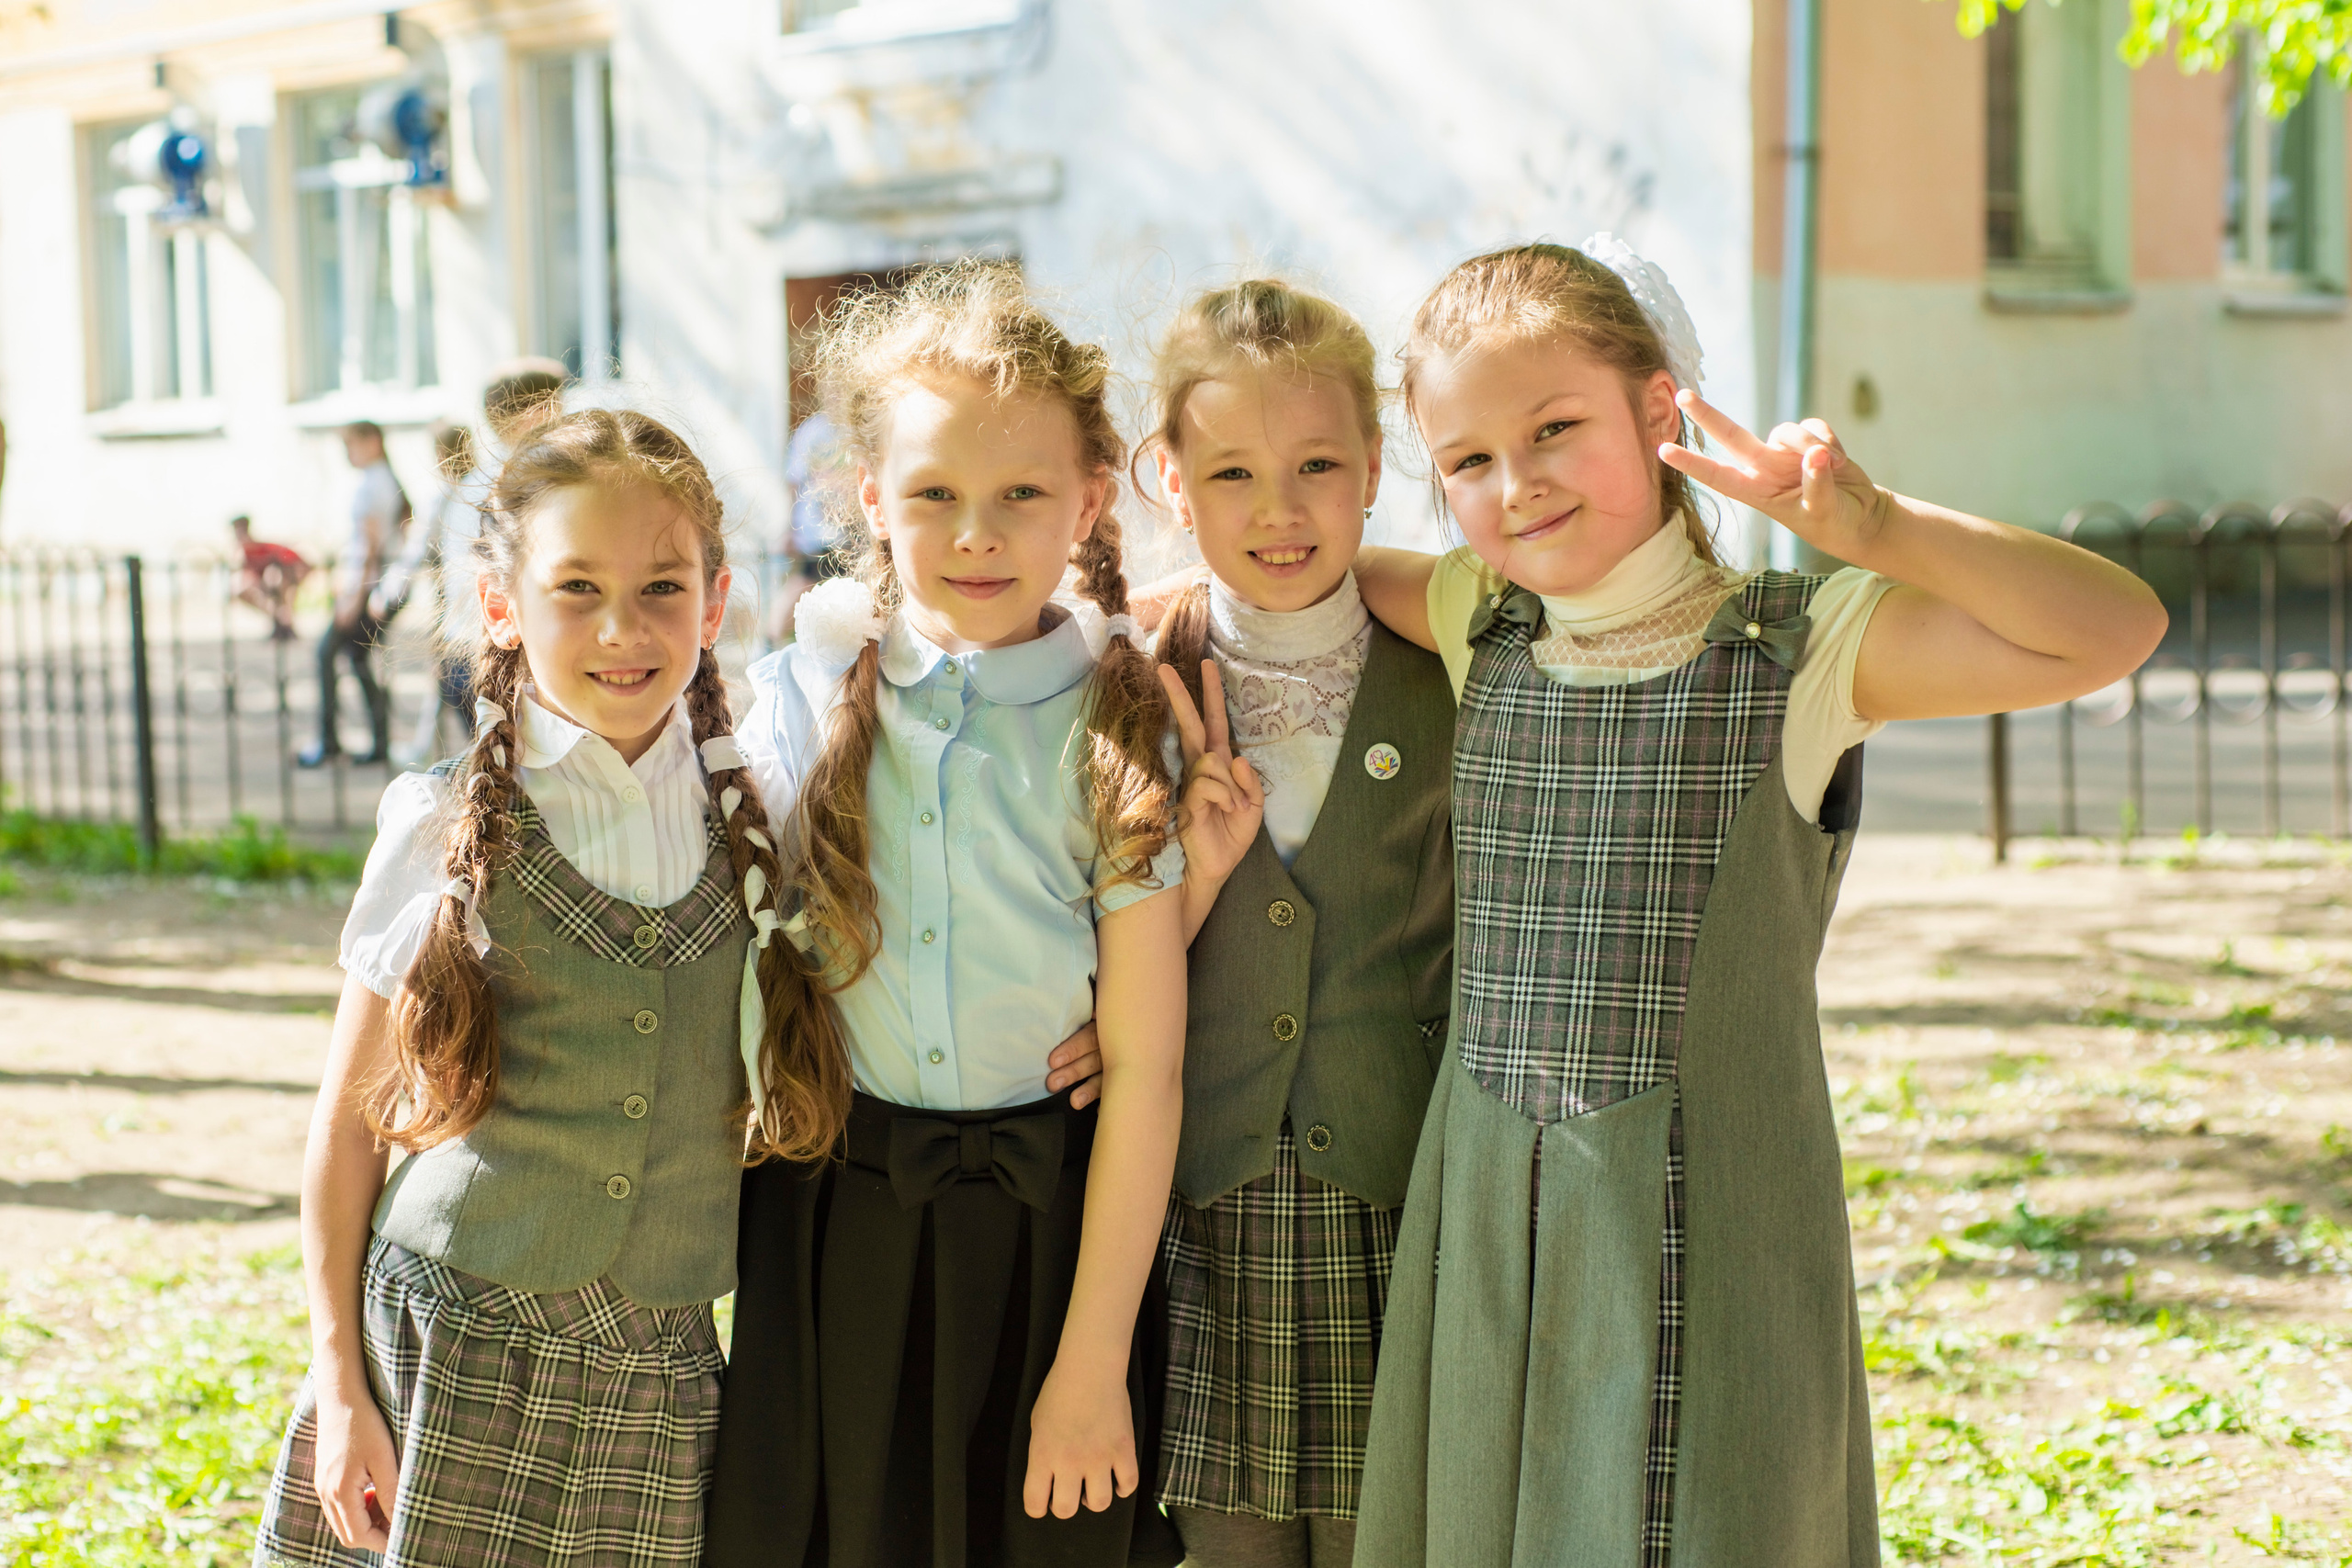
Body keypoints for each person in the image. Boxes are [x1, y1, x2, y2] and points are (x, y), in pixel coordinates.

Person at [1342, 240, 2166, 1566]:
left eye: (1557, 428)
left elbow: (2110, 630)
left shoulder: (1802, 649)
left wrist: (1873, 528)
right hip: (1495, 1203)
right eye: (1469, 460)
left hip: (1708, 1214)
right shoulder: (1470, 614)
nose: (1517, 482)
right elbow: (1305, 588)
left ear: (1659, 412)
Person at [705, 260, 1203, 1568]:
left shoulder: (1119, 725)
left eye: (1021, 495)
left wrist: (1095, 1355)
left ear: (1089, 500)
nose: (977, 533)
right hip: (832, 1230)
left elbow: (1149, 1069)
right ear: (871, 494)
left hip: (1053, 1246)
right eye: (934, 495)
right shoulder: (793, 706)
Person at [252, 407, 801, 1566]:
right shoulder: (442, 824)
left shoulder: (761, 819)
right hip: (452, 1342)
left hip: (658, 1371)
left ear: (714, 602)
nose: (622, 628)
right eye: (575, 588)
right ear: (502, 605)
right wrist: (341, 1386)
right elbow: (348, 1129)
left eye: (662, 589)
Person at [1140, 281, 1454, 1568]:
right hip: (1201, 1207)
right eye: (1233, 473)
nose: (1280, 509)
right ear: (1172, 479)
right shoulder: (1123, 672)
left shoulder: (1451, 663)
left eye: (1319, 464)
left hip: (1400, 1190)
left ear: (1376, 467)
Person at [299, 422, 409, 768]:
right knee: (356, 660)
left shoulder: (372, 485)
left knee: (327, 653)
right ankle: (376, 743)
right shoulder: (384, 480)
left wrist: (352, 598)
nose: (347, 453)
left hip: (367, 589)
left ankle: (332, 742)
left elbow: (369, 547)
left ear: (372, 441)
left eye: (351, 444)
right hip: (376, 587)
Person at [379, 422, 476, 765]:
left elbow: (416, 549)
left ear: (439, 454)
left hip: (451, 600)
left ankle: (480, 758)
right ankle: (427, 747)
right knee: (449, 678)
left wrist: (387, 593)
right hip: (462, 598)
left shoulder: (445, 494)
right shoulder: (479, 485)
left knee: (452, 678)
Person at [763, 406, 849, 645]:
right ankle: (770, 642)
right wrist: (790, 528)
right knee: (803, 585)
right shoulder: (813, 430)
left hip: (849, 533)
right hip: (819, 533)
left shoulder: (856, 427)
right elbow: (794, 483)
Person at [231, 513, 313, 640]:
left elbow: (298, 564)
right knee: (245, 590)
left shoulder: (267, 549)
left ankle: (284, 620)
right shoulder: (245, 555)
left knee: (274, 579)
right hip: (271, 586)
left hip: (287, 579)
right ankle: (280, 619)